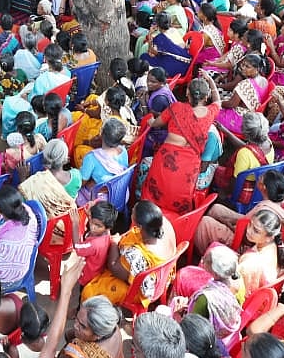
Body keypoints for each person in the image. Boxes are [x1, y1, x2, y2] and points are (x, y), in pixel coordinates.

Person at [143, 73, 220, 214]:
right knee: (179, 197)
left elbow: (156, 123)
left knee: (154, 193)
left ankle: (147, 213)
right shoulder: (210, 113)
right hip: (189, 166)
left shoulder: (175, 108)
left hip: (165, 160)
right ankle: (179, 220)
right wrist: (210, 80)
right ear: (206, 97)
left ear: (187, 93)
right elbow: (218, 102)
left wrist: (150, 121)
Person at [81, 200, 177, 307]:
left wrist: (114, 243)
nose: (131, 211)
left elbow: (114, 268)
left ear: (139, 226)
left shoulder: (137, 255)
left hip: (144, 289)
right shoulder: (164, 223)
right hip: (164, 274)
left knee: (88, 292)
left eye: (133, 212)